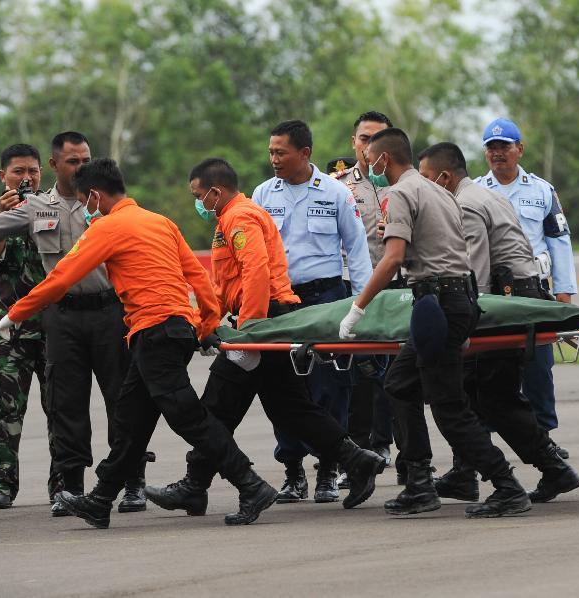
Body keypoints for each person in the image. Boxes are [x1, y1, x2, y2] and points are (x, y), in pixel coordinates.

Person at [0, 158, 274, 528]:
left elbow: (62, 278)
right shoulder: (161, 222)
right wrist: (205, 325)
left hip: (154, 332)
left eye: (85, 202)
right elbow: (199, 279)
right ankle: (101, 499)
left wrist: (15, 313)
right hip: (170, 330)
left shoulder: (107, 228)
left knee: (188, 418)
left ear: (94, 195)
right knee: (131, 423)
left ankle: (251, 485)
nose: (85, 210)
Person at [144, 158, 385, 514]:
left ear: (215, 191)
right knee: (289, 407)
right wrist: (205, 321)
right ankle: (355, 459)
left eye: (199, 196)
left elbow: (256, 273)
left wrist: (249, 330)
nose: (198, 203)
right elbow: (229, 284)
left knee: (218, 406)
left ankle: (202, 485)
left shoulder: (239, 217)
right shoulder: (231, 217)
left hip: (264, 320)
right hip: (266, 318)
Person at [339, 128, 531, 518]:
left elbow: (392, 258)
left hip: (437, 302)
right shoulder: (441, 192)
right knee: (400, 385)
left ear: (384, 160)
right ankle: (419, 483)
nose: (367, 166)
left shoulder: (404, 194)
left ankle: (506, 485)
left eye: (370, 160)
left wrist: (357, 307)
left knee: (448, 406)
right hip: (455, 300)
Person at [0, 132, 148, 516]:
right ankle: (70, 488)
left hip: (109, 314)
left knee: (121, 401)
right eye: (73, 161)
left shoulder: (108, 205)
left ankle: (132, 482)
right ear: (56, 166)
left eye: (87, 159)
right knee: (65, 405)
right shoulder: (38, 209)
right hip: (61, 318)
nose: (82, 167)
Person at [417, 142, 579, 504]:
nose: (424, 188)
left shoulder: (466, 204)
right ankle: (478, 471)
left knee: (490, 395)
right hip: (515, 300)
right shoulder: (481, 193)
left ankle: (549, 470)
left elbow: (474, 274)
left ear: (445, 178)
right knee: (486, 394)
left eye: (427, 180)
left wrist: (460, 324)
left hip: (501, 306)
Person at [252, 120, 373, 503]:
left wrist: (362, 305)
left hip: (327, 299)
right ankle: (292, 470)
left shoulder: (336, 192)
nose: (273, 159)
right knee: (283, 387)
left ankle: (329, 469)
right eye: (271, 152)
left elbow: (357, 251)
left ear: (304, 153)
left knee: (331, 386)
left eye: (280, 152)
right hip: (282, 303)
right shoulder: (262, 194)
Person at [476, 118, 576, 455]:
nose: (498, 153)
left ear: (520, 149)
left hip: (534, 287)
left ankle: (543, 435)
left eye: (505, 146)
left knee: (538, 366)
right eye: (492, 147)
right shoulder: (474, 190)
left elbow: (559, 240)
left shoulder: (542, 190)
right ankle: (490, 441)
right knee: (490, 366)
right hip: (490, 289)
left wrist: (564, 292)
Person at [0, 144, 55, 509]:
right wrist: (0, 225)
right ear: (2, 175)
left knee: (60, 406)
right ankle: (3, 486)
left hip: (54, 324)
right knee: (6, 408)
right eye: (19, 171)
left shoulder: (53, 208)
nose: (27, 178)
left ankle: (64, 486)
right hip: (10, 329)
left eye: (33, 171)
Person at [332, 111, 397, 484]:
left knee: (400, 372)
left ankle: (400, 450)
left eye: (377, 139)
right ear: (353, 142)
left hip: (398, 286)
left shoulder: (405, 183)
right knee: (359, 373)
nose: (368, 146)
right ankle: (357, 450)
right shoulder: (336, 186)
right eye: (363, 138)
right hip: (353, 288)